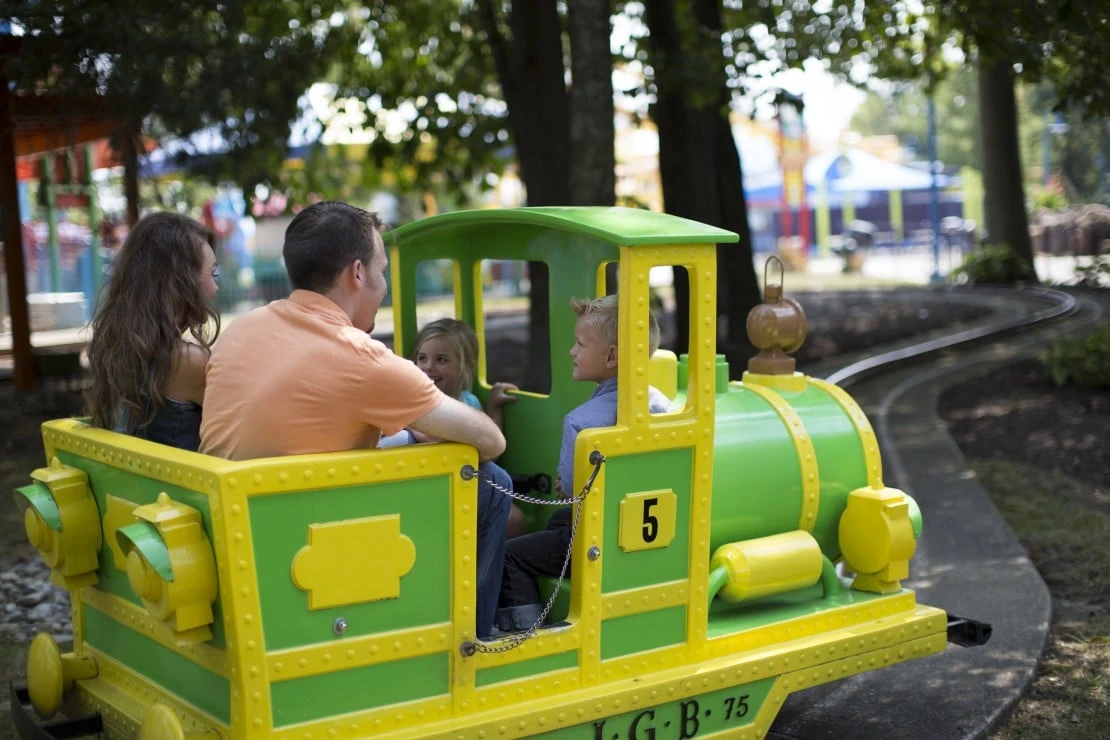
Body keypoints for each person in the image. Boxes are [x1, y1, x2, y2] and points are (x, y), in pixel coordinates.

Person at [199, 201, 510, 638]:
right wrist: (421, 423)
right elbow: (490, 439)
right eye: (382, 272)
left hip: (237, 536)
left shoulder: (241, 330)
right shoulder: (361, 357)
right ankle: (473, 637)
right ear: (358, 273)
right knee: (494, 483)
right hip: (306, 551)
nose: (383, 286)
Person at [495, 294, 674, 634]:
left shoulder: (580, 422)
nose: (572, 352)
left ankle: (523, 631)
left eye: (579, 344)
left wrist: (568, 486)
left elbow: (572, 494)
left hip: (597, 536)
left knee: (509, 556)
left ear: (611, 356)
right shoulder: (664, 405)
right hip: (638, 528)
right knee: (557, 522)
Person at [379, 318, 528, 538]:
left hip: (464, 488)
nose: (429, 367)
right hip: (426, 493)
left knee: (514, 518)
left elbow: (490, 451)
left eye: (441, 360)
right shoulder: (411, 406)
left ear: (465, 366)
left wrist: (494, 406)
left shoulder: (469, 403)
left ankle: (506, 567)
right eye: (422, 358)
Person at [85, 212, 220, 451]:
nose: (216, 287)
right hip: (180, 488)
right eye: (213, 273)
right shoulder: (188, 361)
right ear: (180, 280)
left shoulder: (115, 348)